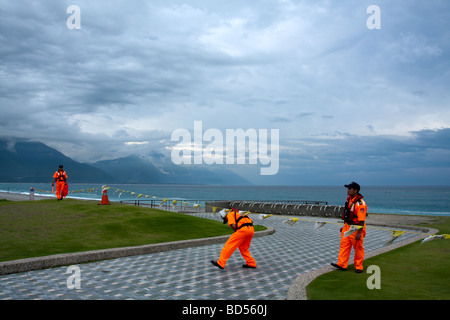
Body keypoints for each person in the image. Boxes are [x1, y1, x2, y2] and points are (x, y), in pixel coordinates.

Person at [331, 182, 367, 273]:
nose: (348, 190)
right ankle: (342, 264)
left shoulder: (360, 203)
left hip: (356, 228)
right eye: (348, 189)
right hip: (347, 226)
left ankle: (359, 266)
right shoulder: (349, 200)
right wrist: (343, 227)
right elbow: (347, 214)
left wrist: (359, 232)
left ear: (355, 190)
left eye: (350, 189)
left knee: (358, 248)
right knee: (344, 245)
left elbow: (361, 220)